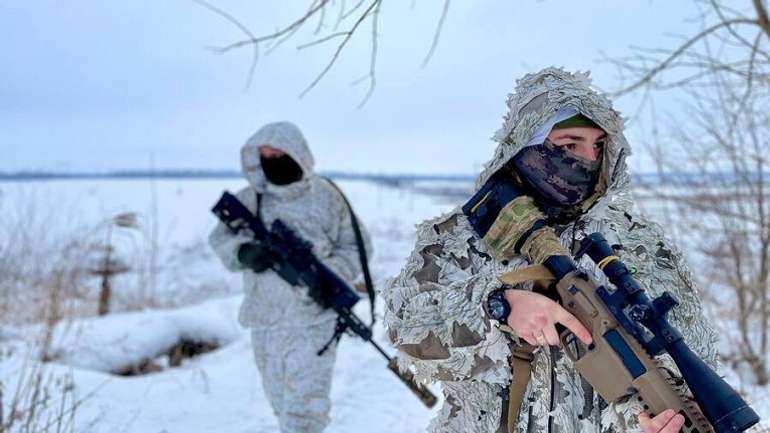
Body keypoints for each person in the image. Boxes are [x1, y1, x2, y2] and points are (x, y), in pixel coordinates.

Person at [382, 68, 720, 433]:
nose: (589, 159)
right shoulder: (458, 236)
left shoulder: (637, 241)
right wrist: (497, 306)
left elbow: (683, 358)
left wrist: (650, 420)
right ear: (526, 144)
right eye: (570, 144)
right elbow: (407, 328)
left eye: (599, 146)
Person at [209, 121, 371, 433]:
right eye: (265, 156)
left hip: (314, 321)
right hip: (265, 322)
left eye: (278, 154)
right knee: (280, 404)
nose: (271, 161)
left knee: (305, 415)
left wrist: (330, 278)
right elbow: (220, 239)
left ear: (298, 154)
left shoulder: (327, 197)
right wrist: (244, 253)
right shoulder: (250, 199)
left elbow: (357, 247)